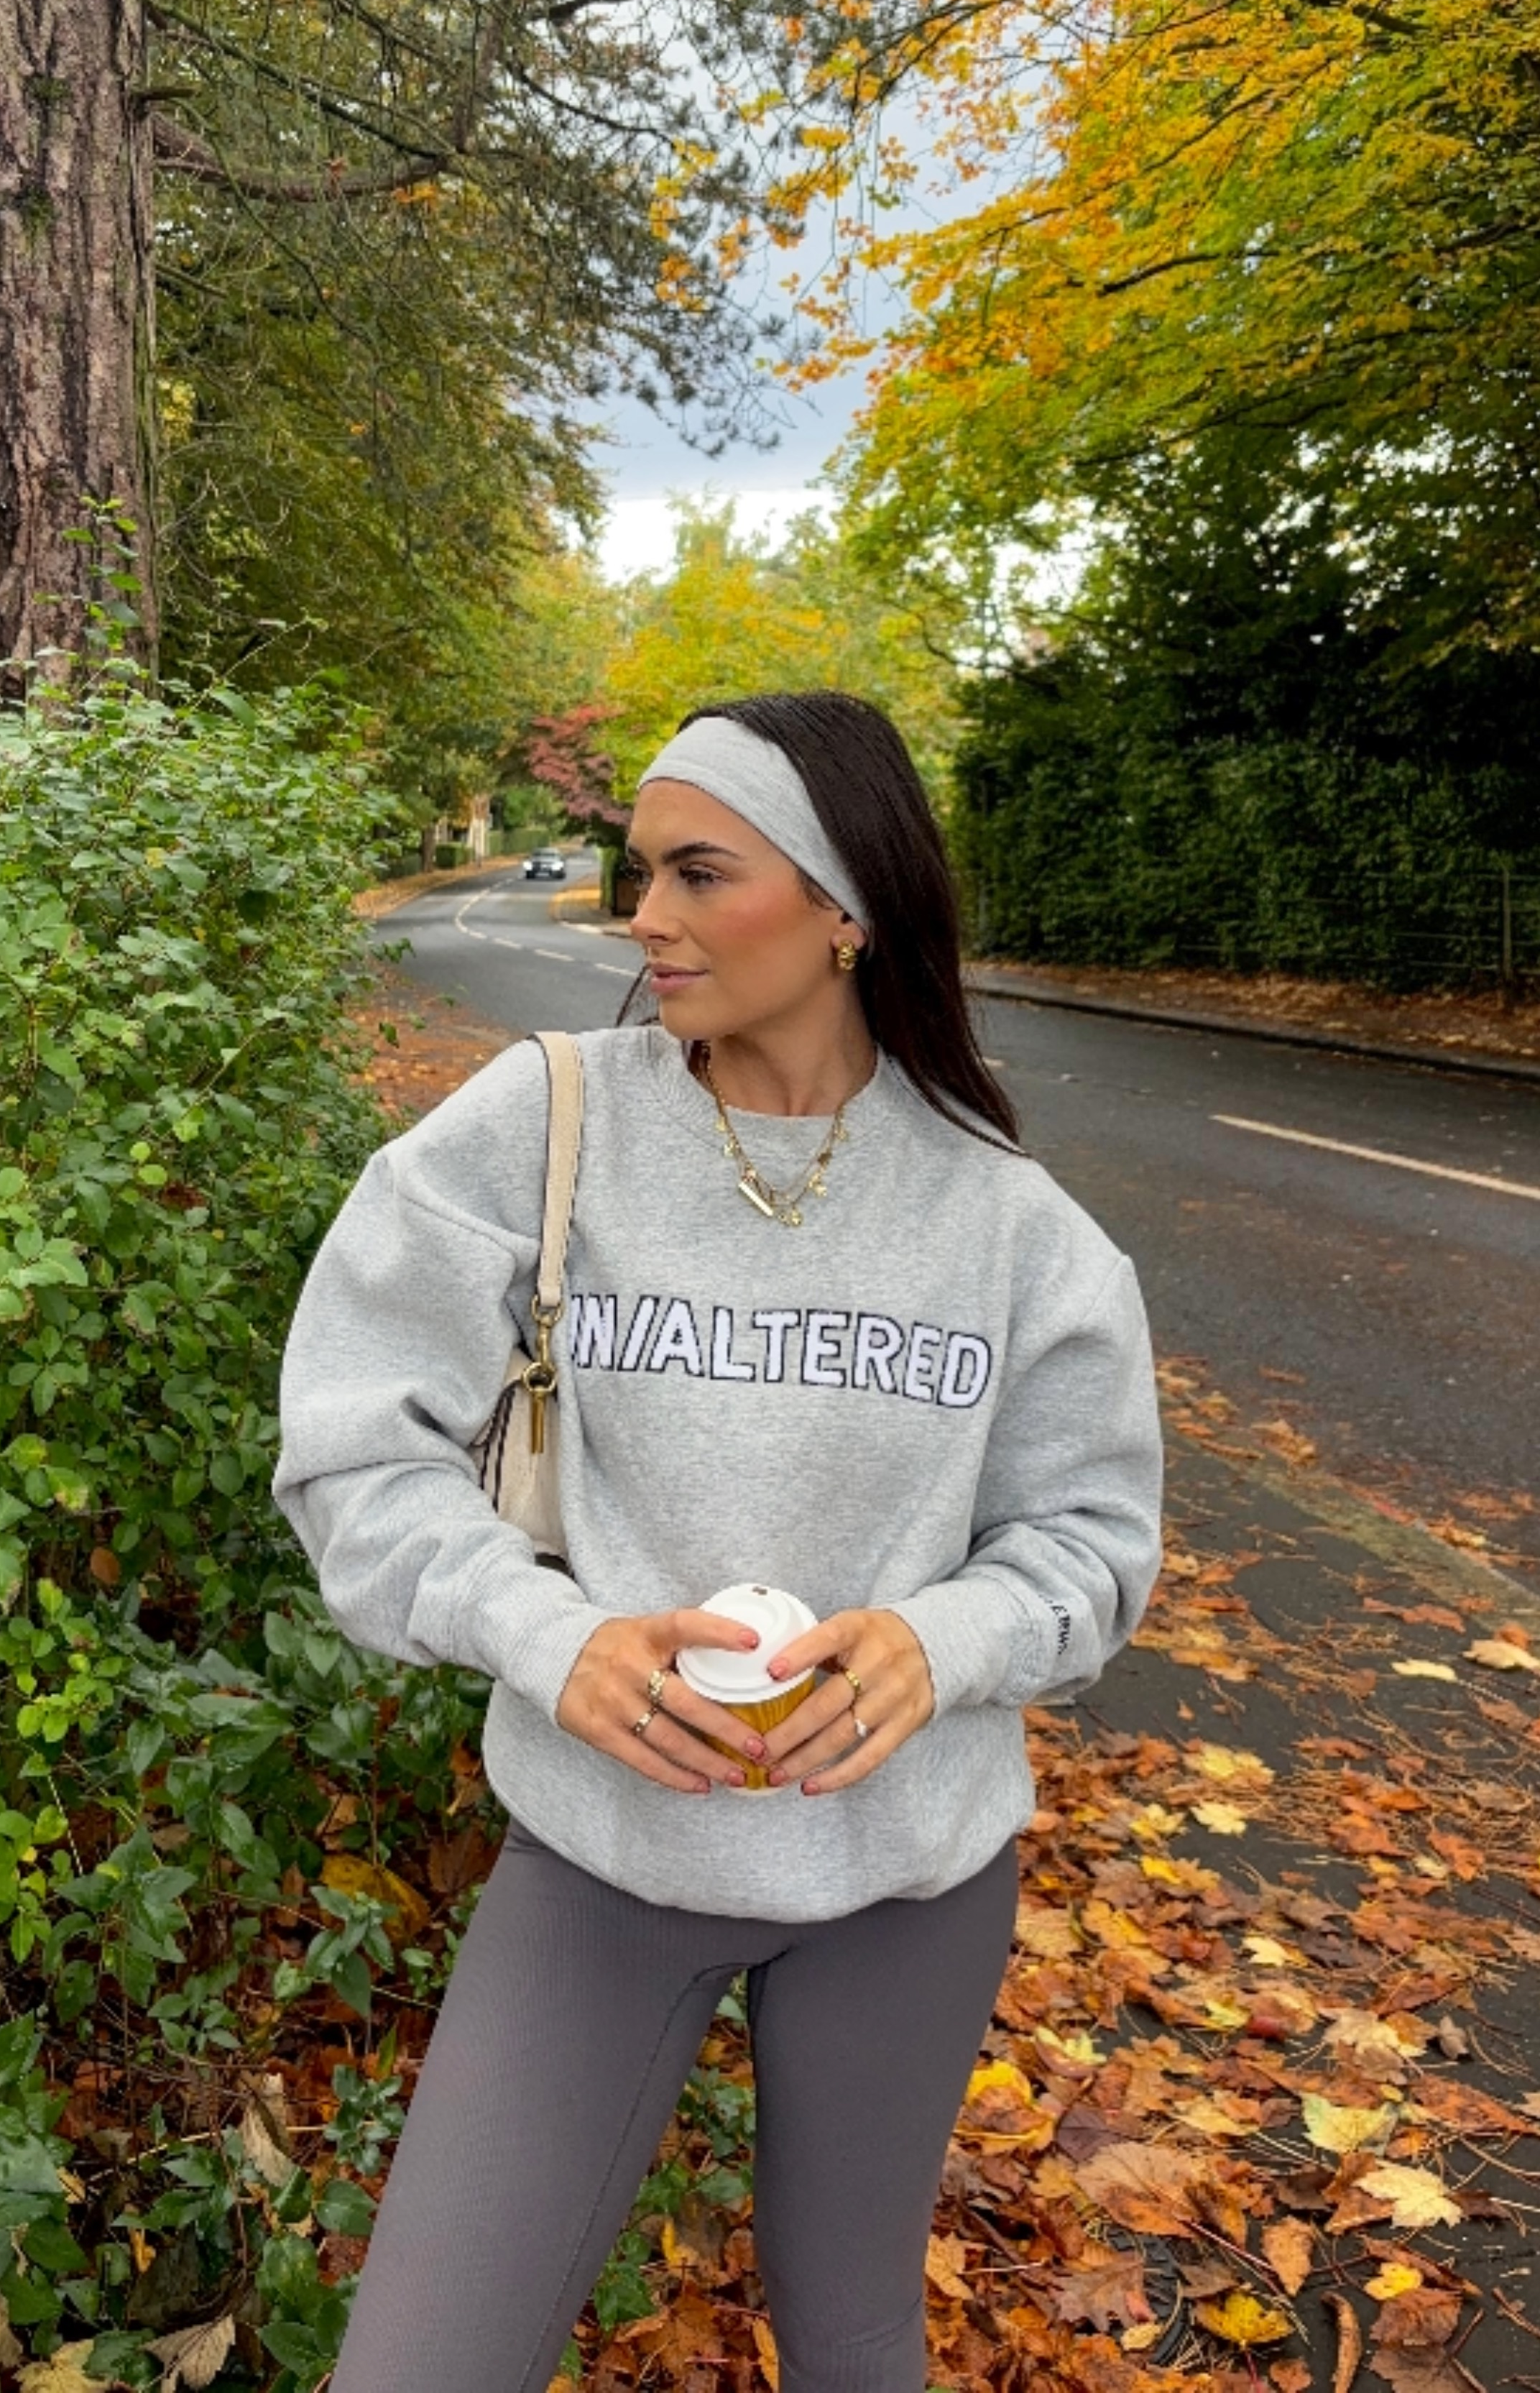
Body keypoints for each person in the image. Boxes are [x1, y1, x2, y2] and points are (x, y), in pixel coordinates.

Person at [275, 689, 1163, 2393]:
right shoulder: (543, 1128)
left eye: (699, 875)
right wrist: (546, 1636)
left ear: (849, 907)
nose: (646, 921)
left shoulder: (1008, 1226)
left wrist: (943, 1640)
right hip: (605, 1853)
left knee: (849, 2346)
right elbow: (351, 1454)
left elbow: (1091, 1538)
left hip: (904, 1874)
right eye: (640, 872)